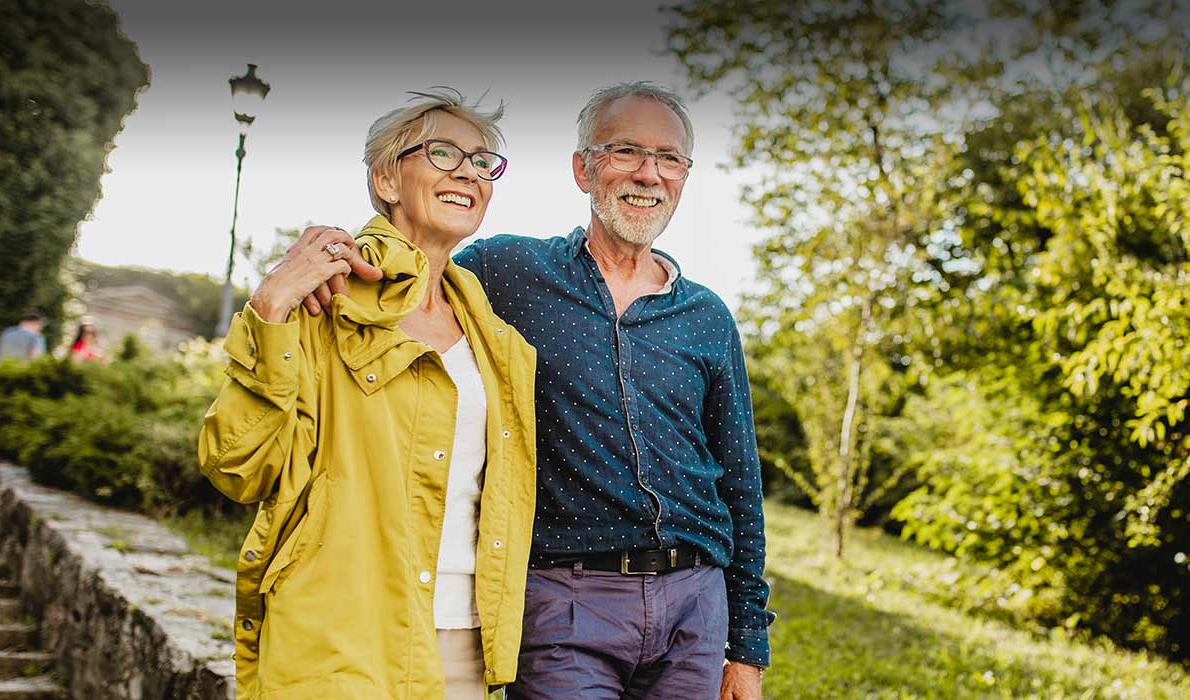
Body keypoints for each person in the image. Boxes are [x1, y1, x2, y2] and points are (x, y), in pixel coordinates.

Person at [307, 82, 773, 700]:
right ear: (583, 169)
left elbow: (740, 482)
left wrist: (746, 645)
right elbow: (413, 263)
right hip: (565, 599)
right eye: (625, 151)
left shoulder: (707, 316)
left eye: (669, 159)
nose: (648, 174)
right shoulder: (506, 273)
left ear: (685, 175)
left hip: (695, 608)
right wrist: (327, 260)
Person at [197, 87, 538, 699]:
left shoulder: (498, 341)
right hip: (339, 636)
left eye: (483, 161)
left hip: (465, 639)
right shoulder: (322, 297)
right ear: (385, 178)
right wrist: (270, 311)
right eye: (442, 153)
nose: (468, 172)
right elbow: (236, 467)